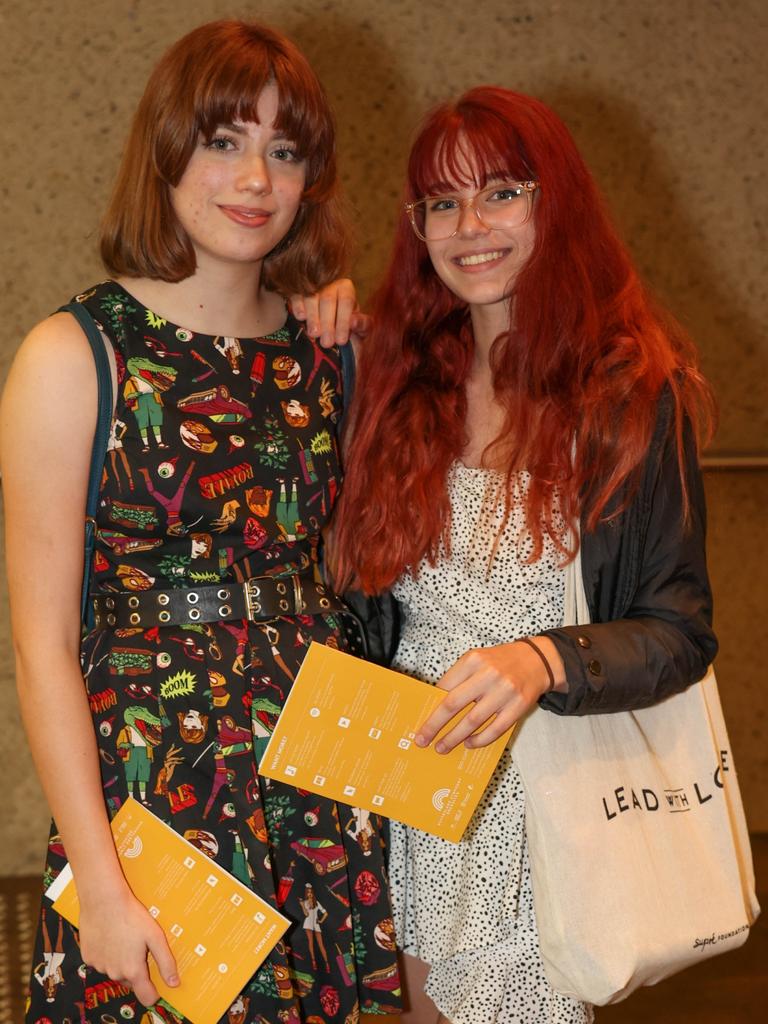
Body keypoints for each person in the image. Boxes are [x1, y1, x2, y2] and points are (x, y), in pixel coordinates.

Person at [1, 20, 399, 1024]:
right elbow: (43, 645)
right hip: (154, 789)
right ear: (167, 149)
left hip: (319, 774)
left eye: (286, 147)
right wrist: (98, 881)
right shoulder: (73, 354)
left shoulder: (335, 352)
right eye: (224, 139)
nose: (255, 176)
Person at [330, 87, 717, 1024]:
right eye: (443, 203)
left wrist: (542, 659)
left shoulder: (629, 390)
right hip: (406, 781)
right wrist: (318, 304)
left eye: (502, 192)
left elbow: (680, 630)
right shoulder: (389, 370)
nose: (471, 227)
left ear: (558, 204)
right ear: (416, 225)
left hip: (548, 797)